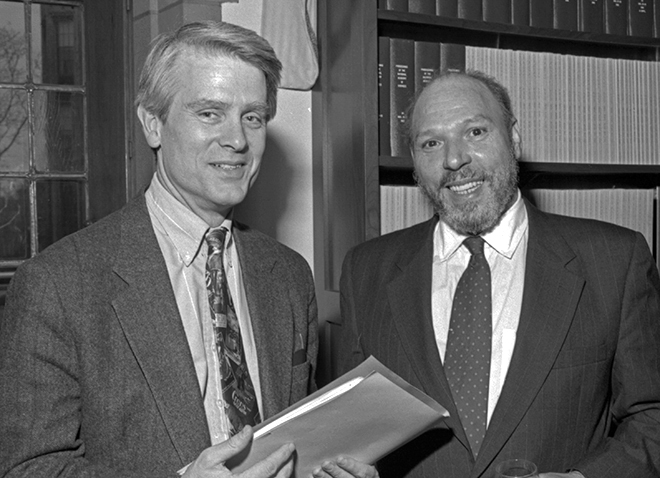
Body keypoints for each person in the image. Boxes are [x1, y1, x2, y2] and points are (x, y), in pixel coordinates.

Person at [0, 21, 376, 478]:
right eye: (210, 113)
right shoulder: (58, 286)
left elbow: (294, 438)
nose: (237, 140)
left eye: (252, 116)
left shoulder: (289, 275)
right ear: (153, 124)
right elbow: (28, 469)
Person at [337, 69, 660, 478]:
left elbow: (651, 416)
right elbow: (352, 430)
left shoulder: (615, 261)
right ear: (415, 163)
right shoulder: (365, 271)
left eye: (475, 132)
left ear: (514, 138)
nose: (454, 159)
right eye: (431, 143)